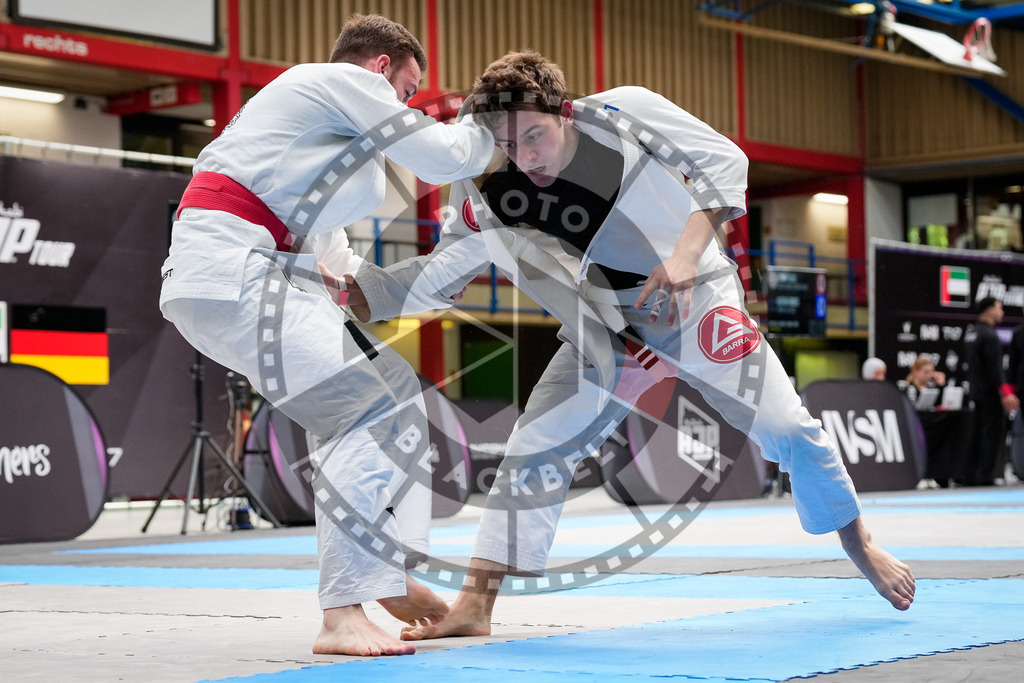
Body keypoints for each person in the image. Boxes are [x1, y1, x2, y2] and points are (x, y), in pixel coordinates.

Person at [348, 51, 916, 641]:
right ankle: (474, 606)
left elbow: (724, 160)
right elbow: (441, 276)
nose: (528, 156)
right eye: (512, 144)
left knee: (788, 427)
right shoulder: (490, 191)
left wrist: (687, 257)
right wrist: (355, 293)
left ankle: (859, 541)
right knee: (535, 445)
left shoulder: (627, 113)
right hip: (607, 325)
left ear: (564, 111)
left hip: (696, 301)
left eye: (536, 136)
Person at [158, 14, 496, 656]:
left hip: (238, 282)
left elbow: (354, 287)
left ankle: (385, 574)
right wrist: (493, 114)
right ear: (379, 67)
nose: (406, 103)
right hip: (233, 272)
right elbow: (446, 152)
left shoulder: (319, 165)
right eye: (407, 89)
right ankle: (343, 611)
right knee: (368, 410)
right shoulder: (335, 79)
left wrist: (457, 258)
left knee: (383, 398)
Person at [959, 297, 1019, 486]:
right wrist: (1005, 392)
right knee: (990, 434)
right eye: (999, 308)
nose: (1002, 312)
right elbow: (995, 368)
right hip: (989, 394)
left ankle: (969, 476)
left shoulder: (972, 332)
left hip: (975, 391)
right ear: (989, 309)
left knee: (976, 433)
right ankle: (985, 475)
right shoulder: (990, 335)